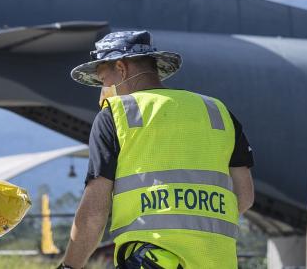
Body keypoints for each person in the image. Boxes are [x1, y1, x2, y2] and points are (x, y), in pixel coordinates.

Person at [58, 31, 255, 269]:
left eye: (103, 80)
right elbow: (245, 196)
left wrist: (69, 266)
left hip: (150, 261)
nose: (103, 90)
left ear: (121, 68)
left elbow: (94, 212)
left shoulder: (118, 114)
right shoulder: (217, 112)